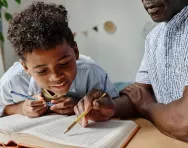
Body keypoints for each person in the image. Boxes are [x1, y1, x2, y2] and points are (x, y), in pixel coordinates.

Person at [74, 0, 188, 142]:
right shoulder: (153, 38)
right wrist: (110, 106)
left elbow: (184, 122)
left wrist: (147, 107)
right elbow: (138, 94)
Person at [0, 1, 118, 118]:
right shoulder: (12, 82)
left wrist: (80, 105)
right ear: (25, 67)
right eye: (42, 71)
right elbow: (2, 107)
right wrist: (20, 109)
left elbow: (115, 104)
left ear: (75, 51)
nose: (56, 76)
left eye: (64, 63)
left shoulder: (92, 74)